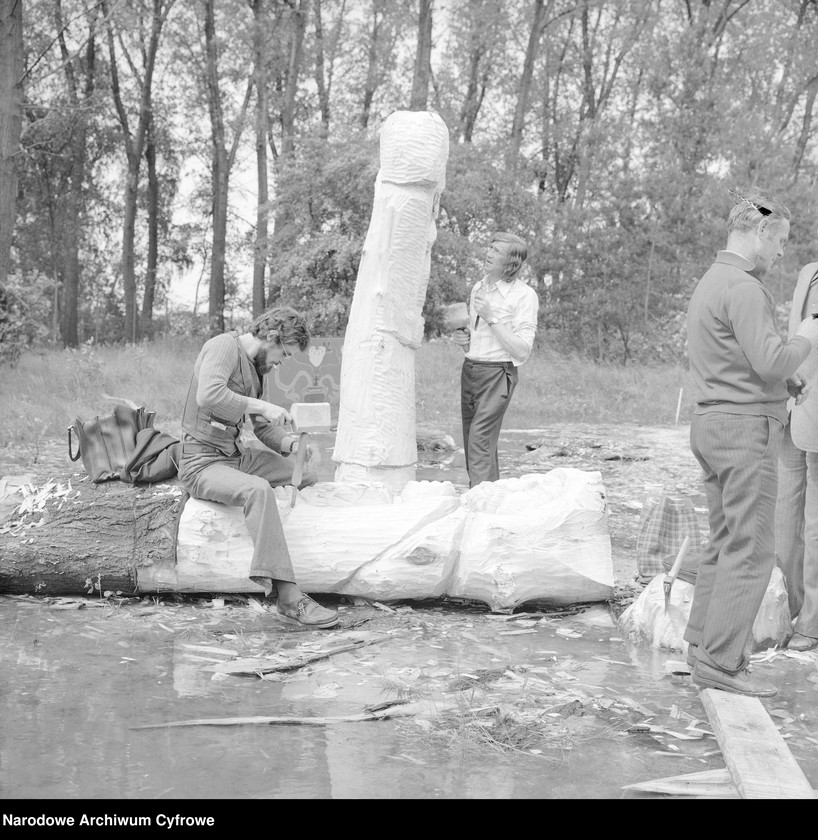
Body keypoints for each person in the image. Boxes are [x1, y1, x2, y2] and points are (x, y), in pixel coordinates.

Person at [684, 188, 818, 697]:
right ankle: (722, 662)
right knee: (753, 550)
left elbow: (738, 359)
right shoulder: (745, 287)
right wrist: (807, 335)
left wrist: (782, 382)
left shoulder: (712, 281)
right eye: (780, 240)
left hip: (714, 421)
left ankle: (701, 645)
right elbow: (768, 358)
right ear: (760, 230)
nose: (782, 252)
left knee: (724, 542)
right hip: (745, 432)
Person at [177, 305, 338, 628]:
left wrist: (292, 444)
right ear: (272, 336)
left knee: (303, 475)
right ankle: (288, 598)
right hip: (200, 462)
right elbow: (209, 396)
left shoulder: (256, 369)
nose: (281, 363)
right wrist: (261, 404)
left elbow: (263, 427)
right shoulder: (223, 346)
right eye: (284, 354)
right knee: (258, 490)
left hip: (234, 456)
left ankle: (278, 538)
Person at [453, 232, 539, 488]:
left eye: (497, 251)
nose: (489, 253)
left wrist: (491, 317)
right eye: (490, 247)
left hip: (498, 374)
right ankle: (489, 498)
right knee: (475, 441)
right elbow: (477, 340)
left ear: (511, 263)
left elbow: (522, 350)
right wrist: (464, 340)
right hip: (471, 369)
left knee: (479, 439)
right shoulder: (478, 288)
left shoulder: (524, 295)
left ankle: (477, 503)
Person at [775, 257, 818, 652]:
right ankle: (786, 607)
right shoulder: (807, 271)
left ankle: (810, 622)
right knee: (785, 516)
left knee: (814, 523)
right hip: (795, 409)